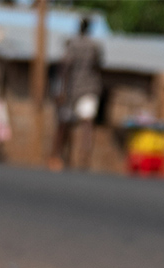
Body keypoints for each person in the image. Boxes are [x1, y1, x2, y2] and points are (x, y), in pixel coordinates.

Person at [52, 18, 102, 171]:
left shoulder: (72, 44)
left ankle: (58, 155)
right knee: (87, 124)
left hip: (73, 90)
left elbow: (65, 68)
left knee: (64, 124)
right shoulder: (95, 46)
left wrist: (61, 90)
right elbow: (98, 66)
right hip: (89, 89)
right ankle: (84, 157)